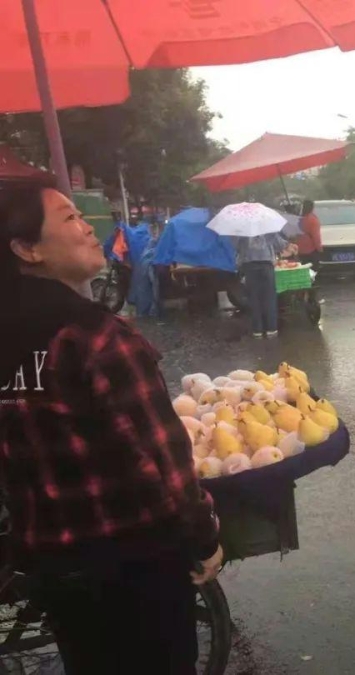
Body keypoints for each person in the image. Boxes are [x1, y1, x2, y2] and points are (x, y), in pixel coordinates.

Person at [0, 185, 222, 674]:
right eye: (69, 218)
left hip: (53, 567)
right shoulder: (95, 338)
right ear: (27, 249)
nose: (88, 229)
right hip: (133, 567)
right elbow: (161, 459)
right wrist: (204, 536)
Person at [233, 230, 287, 338]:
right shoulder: (268, 228)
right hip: (266, 265)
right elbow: (280, 245)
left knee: (254, 298)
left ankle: (257, 330)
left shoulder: (242, 230)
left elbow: (237, 247)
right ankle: (271, 329)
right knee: (269, 297)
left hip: (249, 266)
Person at [292, 199, 323, 270]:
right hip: (311, 251)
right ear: (312, 208)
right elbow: (316, 237)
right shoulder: (313, 220)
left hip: (300, 250)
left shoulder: (299, 219)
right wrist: (320, 249)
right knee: (313, 271)